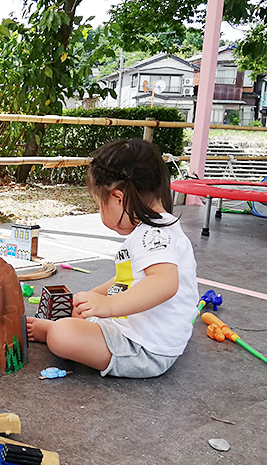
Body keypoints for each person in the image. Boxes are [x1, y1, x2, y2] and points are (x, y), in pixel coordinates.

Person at [27, 139, 198, 378]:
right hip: (146, 335)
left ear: (119, 198)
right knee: (82, 311)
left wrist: (108, 306)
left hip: (145, 350)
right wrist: (99, 294)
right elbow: (127, 277)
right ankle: (72, 328)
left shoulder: (153, 235)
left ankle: (52, 331)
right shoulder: (158, 228)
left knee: (62, 335)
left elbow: (165, 283)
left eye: (100, 205)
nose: (100, 212)